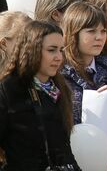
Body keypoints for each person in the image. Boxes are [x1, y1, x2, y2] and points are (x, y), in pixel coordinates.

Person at [0, 21, 80, 170]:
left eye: (61, 50)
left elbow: (63, 147)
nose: (59, 57)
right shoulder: (9, 88)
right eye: (52, 50)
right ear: (31, 49)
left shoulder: (60, 88)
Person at [60, 1, 107, 124]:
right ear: (73, 33)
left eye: (103, 31)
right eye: (91, 31)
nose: (99, 37)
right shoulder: (58, 72)